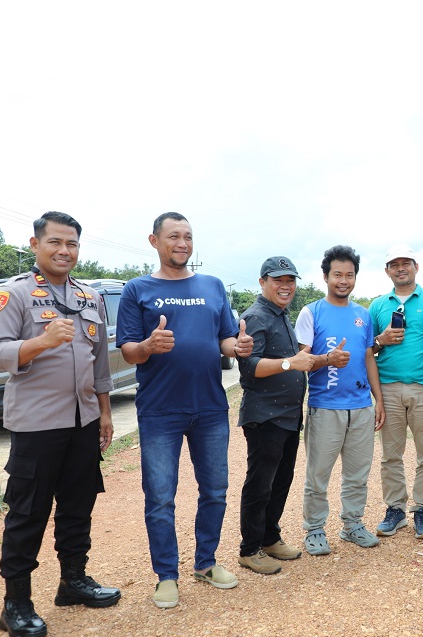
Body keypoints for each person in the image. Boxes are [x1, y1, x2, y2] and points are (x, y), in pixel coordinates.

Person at [0, 211, 120, 637]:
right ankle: (16, 604)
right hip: (37, 426)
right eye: (56, 243)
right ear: (35, 244)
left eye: (72, 244)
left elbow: (99, 364)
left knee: (78, 506)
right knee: (28, 513)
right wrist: (41, 342)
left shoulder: (88, 297)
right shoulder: (14, 296)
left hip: (83, 421)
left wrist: (106, 413)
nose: (64, 251)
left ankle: (73, 581)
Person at [117, 212, 253, 609]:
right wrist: (147, 347)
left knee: (215, 490)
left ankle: (206, 563)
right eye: (173, 236)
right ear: (154, 241)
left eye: (188, 236)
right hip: (160, 410)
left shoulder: (212, 286)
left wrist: (237, 348)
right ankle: (166, 575)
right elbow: (127, 349)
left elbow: (226, 338)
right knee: (160, 497)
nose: (182, 243)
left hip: (210, 407)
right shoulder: (137, 289)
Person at [295, 245, 385, 555]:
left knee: (358, 474)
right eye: (337, 275)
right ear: (325, 277)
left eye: (349, 275)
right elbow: (301, 360)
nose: (343, 281)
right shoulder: (311, 312)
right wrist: (327, 360)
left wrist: (379, 399)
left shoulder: (362, 315)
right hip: (325, 407)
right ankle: (315, 528)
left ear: (355, 278)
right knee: (318, 474)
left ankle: (352, 524)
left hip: (360, 407)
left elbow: (369, 358)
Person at [235, 257, 314, 575]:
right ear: (262, 282)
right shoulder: (255, 317)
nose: (286, 286)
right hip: (265, 416)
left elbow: (297, 359)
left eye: (291, 280)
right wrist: (289, 364)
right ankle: (249, 548)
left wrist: (322, 359)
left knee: (281, 480)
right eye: (278, 280)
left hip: (288, 416)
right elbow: (250, 367)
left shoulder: (281, 315)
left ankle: (270, 537)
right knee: (260, 483)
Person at [369, 244, 423, 539]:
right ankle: (395, 510)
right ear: (387, 270)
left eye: (406, 263)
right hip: (388, 388)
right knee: (390, 455)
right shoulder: (377, 306)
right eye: (394, 264)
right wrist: (381, 339)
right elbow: (367, 349)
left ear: (416, 266)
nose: (401, 268)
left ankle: (422, 510)